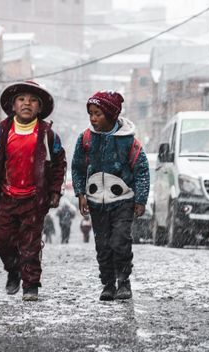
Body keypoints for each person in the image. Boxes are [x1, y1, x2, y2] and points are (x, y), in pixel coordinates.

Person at [0, 80, 67, 301]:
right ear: (13, 105)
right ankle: (14, 269)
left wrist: (55, 190)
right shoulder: (2, 131)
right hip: (7, 198)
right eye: (21, 99)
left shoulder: (47, 134)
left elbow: (59, 164)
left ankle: (31, 285)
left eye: (33, 100)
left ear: (40, 107)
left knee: (31, 244)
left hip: (34, 200)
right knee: (1, 240)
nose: (27, 103)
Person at [71, 91, 149, 301]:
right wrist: (81, 193)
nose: (93, 118)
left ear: (111, 115)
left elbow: (141, 171)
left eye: (98, 113)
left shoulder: (130, 142)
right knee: (103, 245)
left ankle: (123, 281)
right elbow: (78, 167)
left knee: (120, 241)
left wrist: (140, 200)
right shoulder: (86, 139)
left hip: (123, 201)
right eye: (90, 113)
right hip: (97, 203)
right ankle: (108, 284)